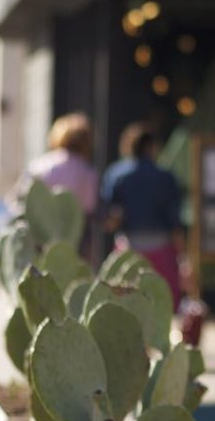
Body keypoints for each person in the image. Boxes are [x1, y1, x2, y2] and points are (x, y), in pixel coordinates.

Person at [101, 123, 186, 308]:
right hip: (162, 250)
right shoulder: (165, 177)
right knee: (163, 305)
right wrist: (185, 259)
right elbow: (175, 222)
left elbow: (111, 217)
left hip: (128, 250)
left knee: (124, 306)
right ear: (151, 147)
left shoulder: (116, 175)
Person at [26, 112, 98, 258]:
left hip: (39, 238)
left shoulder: (40, 165)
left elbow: (23, 199)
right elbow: (89, 207)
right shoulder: (86, 171)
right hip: (75, 241)